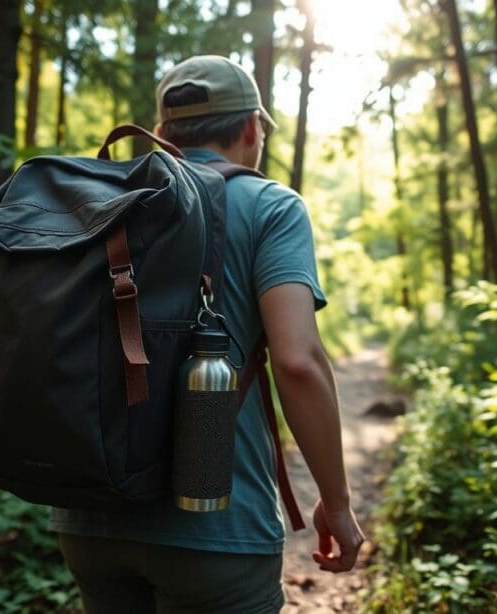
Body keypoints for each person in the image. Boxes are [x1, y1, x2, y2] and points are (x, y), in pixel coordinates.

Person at [49, 55, 364, 613]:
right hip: (216, 530)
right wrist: (335, 502)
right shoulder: (270, 205)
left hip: (89, 521)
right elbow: (298, 362)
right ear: (250, 128)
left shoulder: (104, 205)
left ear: (164, 134)